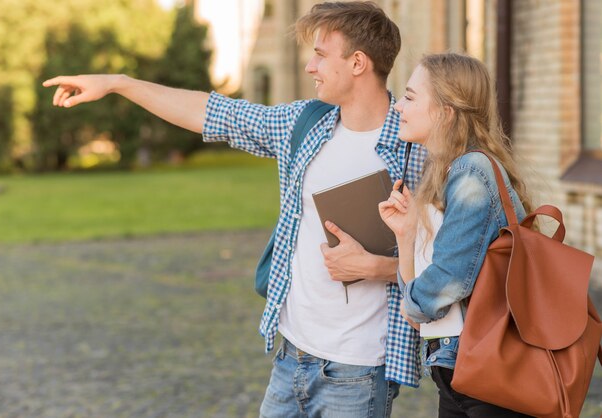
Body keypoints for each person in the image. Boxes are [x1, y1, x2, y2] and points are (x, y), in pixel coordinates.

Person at [43, 2, 426, 417]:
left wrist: (376, 268)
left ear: (357, 63)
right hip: (291, 357)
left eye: (320, 54)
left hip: (359, 371)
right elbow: (213, 113)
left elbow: (452, 267)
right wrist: (120, 84)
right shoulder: (306, 123)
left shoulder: (417, 152)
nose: (309, 66)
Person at [378, 52, 533, 418]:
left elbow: (443, 284)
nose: (398, 106)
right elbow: (420, 311)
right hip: (457, 370)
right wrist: (405, 236)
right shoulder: (445, 174)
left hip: (489, 373)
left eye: (411, 97)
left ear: (446, 112)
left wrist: (414, 303)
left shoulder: (471, 173)